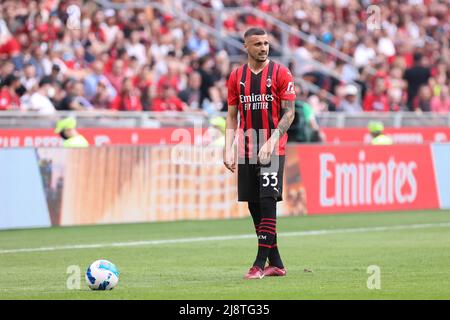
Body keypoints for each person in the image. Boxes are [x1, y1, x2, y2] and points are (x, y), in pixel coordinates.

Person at [224, 28, 296, 279]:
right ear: (246, 46)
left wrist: (271, 141)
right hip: (246, 149)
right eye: (257, 44)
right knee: (254, 206)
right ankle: (276, 263)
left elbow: (289, 113)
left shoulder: (281, 73)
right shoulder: (236, 76)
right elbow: (232, 116)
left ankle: (258, 265)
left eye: (266, 43)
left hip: (273, 149)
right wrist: (228, 147)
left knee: (267, 203)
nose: (263, 47)